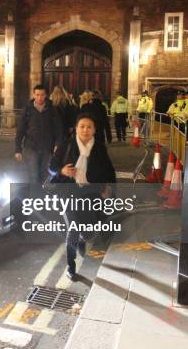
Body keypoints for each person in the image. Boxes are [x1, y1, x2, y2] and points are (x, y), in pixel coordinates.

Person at [48, 113, 116, 279]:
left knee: (88, 232)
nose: (85, 130)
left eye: (89, 127)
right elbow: (51, 166)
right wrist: (62, 170)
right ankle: (71, 266)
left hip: (90, 193)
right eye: (82, 126)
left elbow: (109, 171)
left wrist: (108, 189)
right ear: (76, 129)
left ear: (94, 130)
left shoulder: (99, 147)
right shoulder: (67, 145)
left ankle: (82, 239)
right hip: (68, 191)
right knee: (73, 227)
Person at [15, 85, 64, 184]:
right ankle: (35, 197)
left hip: (47, 147)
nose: (39, 97)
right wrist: (18, 149)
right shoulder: (27, 109)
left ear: (46, 95)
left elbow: (58, 128)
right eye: (37, 95)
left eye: (42, 95)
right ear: (34, 95)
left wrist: (58, 144)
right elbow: (20, 130)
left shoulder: (52, 109)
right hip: (31, 147)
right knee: (34, 174)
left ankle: (41, 196)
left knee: (44, 174)